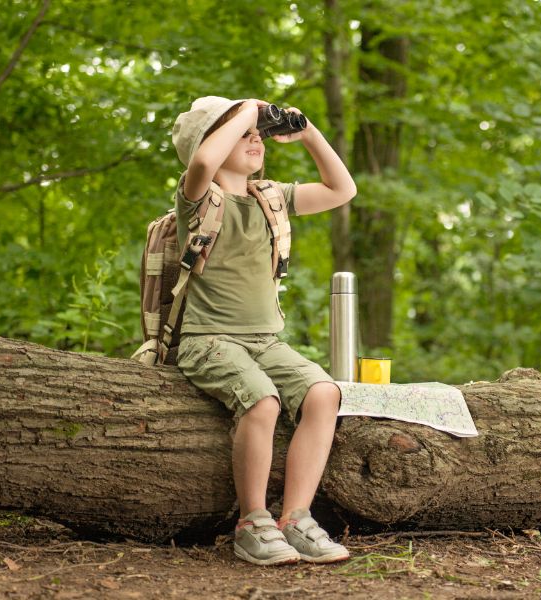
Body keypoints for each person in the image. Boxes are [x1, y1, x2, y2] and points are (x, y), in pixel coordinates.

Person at [170, 96, 356, 566]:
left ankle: (296, 518)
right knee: (262, 399)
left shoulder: (271, 198)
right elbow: (206, 160)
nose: (256, 138)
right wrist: (248, 111)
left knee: (322, 393)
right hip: (208, 340)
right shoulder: (197, 199)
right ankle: (253, 521)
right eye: (243, 133)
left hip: (265, 342)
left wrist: (308, 132)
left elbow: (342, 189)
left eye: (258, 133)